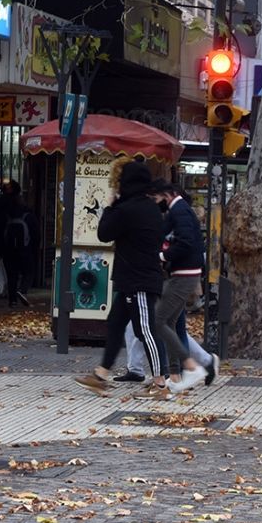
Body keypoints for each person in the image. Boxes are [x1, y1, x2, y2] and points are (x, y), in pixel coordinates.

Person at [75, 161, 206, 396]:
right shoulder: (147, 207)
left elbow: (104, 233)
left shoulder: (128, 209)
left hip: (138, 280)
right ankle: (101, 375)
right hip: (136, 277)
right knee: (116, 324)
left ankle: (160, 383)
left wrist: (110, 205)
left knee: (146, 329)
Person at [119, 182, 217, 385]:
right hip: (182, 274)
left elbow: (185, 242)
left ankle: (191, 367)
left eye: (156, 200)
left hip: (183, 275)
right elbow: (163, 234)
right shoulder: (177, 211)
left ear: (166, 195)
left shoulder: (179, 211)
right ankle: (176, 375)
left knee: (158, 321)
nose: (156, 204)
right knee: (170, 323)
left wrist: (162, 256)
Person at [0, 182, 36, 308]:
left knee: (12, 275)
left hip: (8, 249)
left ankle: (12, 301)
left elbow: (1, 229)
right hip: (24, 249)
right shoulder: (28, 215)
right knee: (29, 271)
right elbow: (35, 234)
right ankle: (22, 289)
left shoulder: (7, 214)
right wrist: (33, 249)